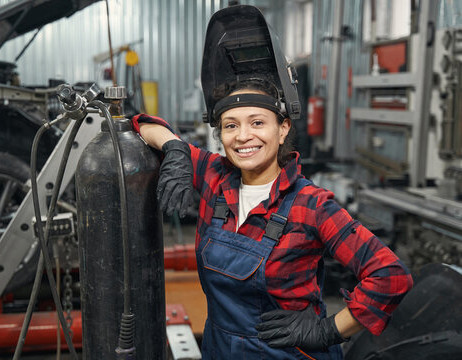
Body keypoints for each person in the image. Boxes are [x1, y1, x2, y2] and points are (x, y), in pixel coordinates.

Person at [132, 5, 413, 359]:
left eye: (257, 122)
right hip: (222, 349)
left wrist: (328, 329)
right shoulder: (214, 176)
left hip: (290, 353)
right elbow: (141, 122)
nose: (243, 136)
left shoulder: (312, 205)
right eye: (231, 125)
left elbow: (390, 277)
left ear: (283, 129)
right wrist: (174, 147)